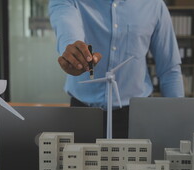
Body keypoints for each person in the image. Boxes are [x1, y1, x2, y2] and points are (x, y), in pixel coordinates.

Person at [49, 0, 184, 138]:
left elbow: (169, 69)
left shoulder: (154, 5)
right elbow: (67, 24)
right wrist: (74, 51)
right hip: (82, 113)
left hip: (135, 115)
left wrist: (177, 124)